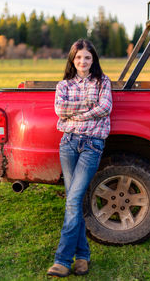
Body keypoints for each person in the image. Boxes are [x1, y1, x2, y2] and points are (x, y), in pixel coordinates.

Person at [47, 39, 112, 278]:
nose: (82, 62)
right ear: (72, 60)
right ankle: (82, 257)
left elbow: (104, 108)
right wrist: (88, 108)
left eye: (87, 57)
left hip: (92, 145)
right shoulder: (63, 85)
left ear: (93, 59)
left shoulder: (103, 82)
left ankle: (62, 260)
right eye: (78, 58)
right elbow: (59, 110)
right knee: (74, 200)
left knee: (73, 200)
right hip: (68, 144)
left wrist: (75, 113)